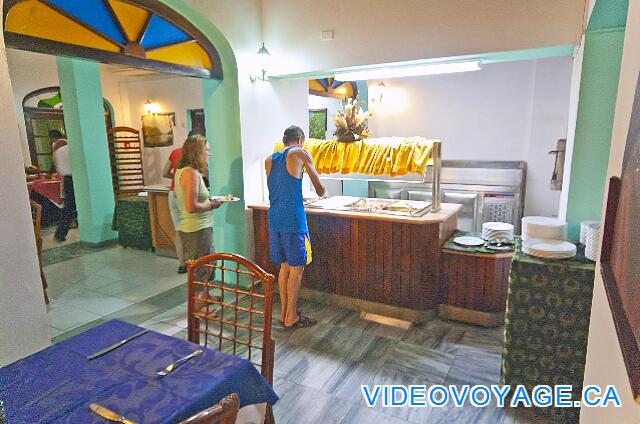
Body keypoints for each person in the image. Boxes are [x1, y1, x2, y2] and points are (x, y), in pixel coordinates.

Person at [265, 125, 327, 329]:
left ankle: (284, 313)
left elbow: (282, 187)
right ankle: (291, 316)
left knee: (283, 267)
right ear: (300, 139)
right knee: (296, 269)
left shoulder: (270, 159)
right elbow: (320, 190)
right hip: (293, 219)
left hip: (274, 219)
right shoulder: (301, 153)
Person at [173, 134, 221, 295]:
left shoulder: (186, 171)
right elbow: (191, 206)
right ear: (196, 152)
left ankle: (203, 301)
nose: (210, 153)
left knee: (206, 266)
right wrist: (212, 205)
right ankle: (201, 307)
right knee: (202, 270)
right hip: (197, 229)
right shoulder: (190, 173)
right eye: (206, 150)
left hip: (197, 227)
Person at [162, 129, 208, 273]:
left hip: (173, 193)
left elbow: (165, 173)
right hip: (189, 203)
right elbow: (192, 205)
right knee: (192, 231)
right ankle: (193, 266)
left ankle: (182, 264)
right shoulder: (192, 167)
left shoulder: (176, 153)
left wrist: (179, 181)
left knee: (179, 231)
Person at [50, 130, 75, 242]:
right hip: (75, 178)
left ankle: (60, 233)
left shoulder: (57, 146)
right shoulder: (70, 145)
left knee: (69, 207)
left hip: (69, 179)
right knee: (70, 207)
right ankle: (60, 233)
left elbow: (55, 164)